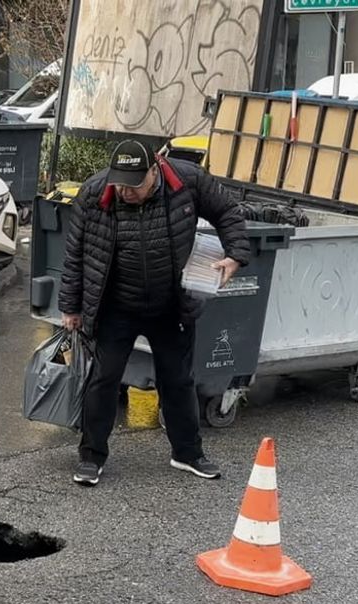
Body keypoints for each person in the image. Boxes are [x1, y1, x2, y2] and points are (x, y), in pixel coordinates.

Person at [58, 139, 250, 486]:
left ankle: (187, 453)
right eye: (119, 184)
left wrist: (235, 254)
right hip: (116, 305)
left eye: (134, 185)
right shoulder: (94, 192)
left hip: (171, 305)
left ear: (154, 170)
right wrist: (70, 307)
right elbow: (75, 254)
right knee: (103, 380)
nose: (125, 192)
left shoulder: (187, 181)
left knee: (178, 380)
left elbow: (227, 211)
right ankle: (91, 457)